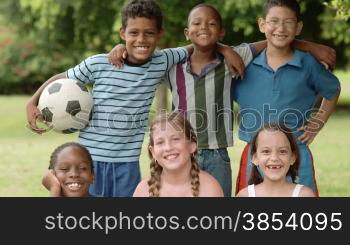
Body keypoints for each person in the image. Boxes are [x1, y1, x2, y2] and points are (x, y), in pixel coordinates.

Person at [110, 3, 337, 197]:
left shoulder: (232, 60)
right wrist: (121, 48)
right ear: (187, 32)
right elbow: (140, 58)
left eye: (211, 25)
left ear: (221, 33)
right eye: (197, 24)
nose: (204, 29)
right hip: (181, 150)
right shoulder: (172, 64)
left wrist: (303, 45)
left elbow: (273, 40)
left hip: (217, 153)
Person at [26, 0, 193, 197]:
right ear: (123, 33)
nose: (141, 39)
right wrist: (32, 101)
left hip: (127, 164)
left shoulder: (162, 60)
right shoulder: (99, 63)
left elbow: (197, 45)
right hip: (88, 161)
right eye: (133, 33)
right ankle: (54, 184)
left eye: (149, 33)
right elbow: (62, 77)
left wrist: (224, 49)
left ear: (159, 35)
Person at [233, 0, 341, 196]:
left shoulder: (308, 64)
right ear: (261, 24)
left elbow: (333, 90)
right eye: (273, 21)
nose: (281, 28)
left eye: (288, 22)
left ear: (298, 27)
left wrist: (317, 123)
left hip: (296, 155)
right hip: (255, 157)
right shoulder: (243, 65)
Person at [133, 112, 224, 197]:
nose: (168, 147)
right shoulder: (143, 191)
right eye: (160, 142)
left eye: (175, 139)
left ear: (192, 145)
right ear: (153, 152)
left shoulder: (210, 189)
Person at [236, 123, 315, 197]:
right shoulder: (245, 195)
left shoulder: (304, 195)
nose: (274, 158)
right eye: (266, 151)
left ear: (292, 158)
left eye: (282, 151)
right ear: (255, 158)